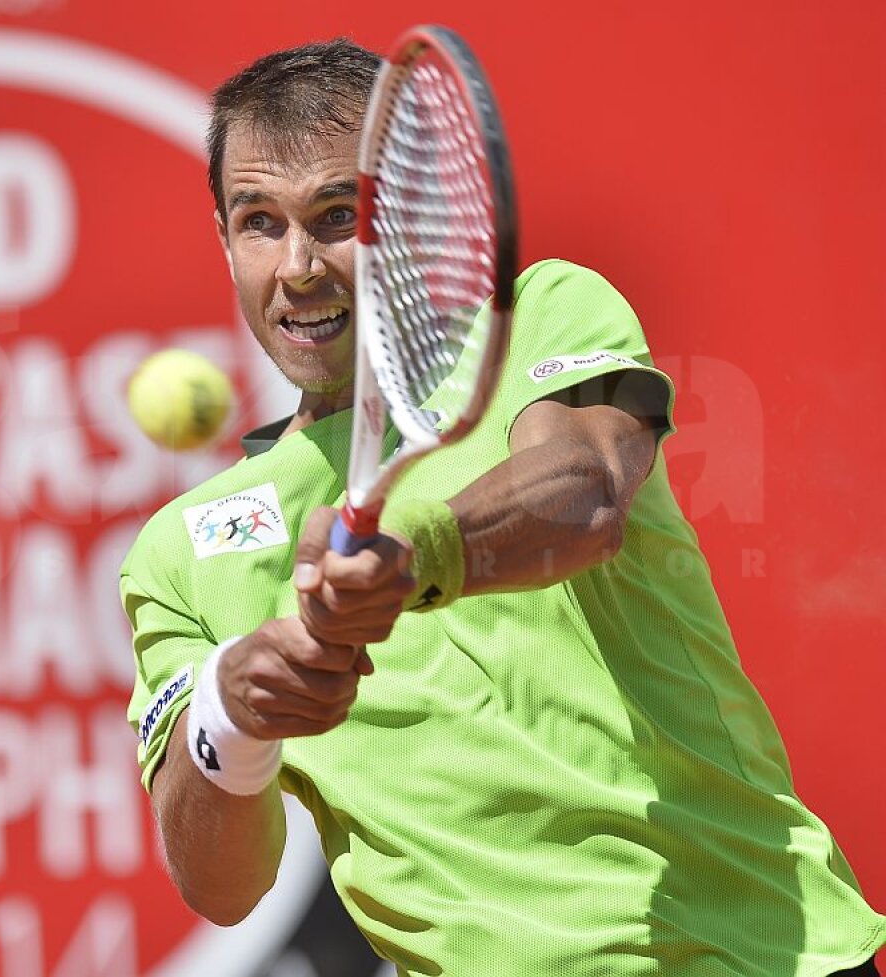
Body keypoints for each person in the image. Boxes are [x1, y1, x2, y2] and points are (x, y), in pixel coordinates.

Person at [121, 38, 886, 977]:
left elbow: (588, 488)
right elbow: (221, 889)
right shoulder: (178, 554)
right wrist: (232, 717)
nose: (300, 266)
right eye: (259, 223)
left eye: (336, 215)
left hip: (751, 955)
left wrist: (412, 552)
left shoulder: (542, 314)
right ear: (225, 239)